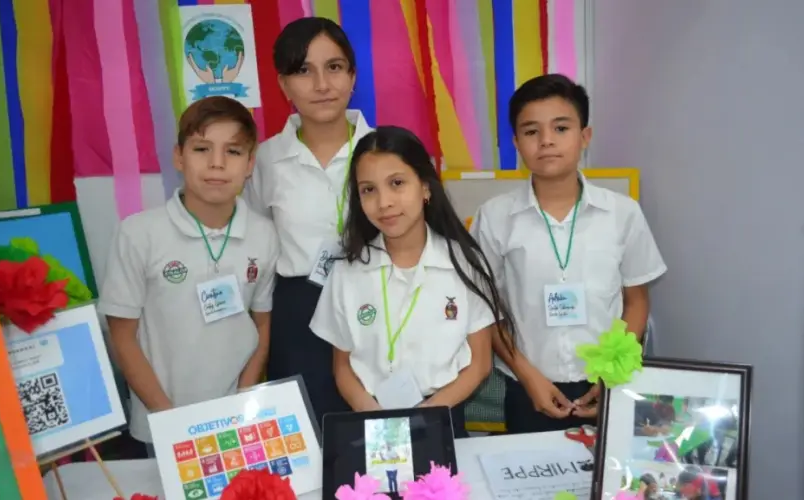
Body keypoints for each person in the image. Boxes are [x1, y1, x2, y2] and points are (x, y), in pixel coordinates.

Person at [471, 74, 667, 434]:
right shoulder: (494, 217)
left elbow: (636, 301)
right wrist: (527, 376)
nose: (546, 141)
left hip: (606, 382)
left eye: (561, 128)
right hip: (526, 386)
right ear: (517, 142)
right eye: (531, 132)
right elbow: (485, 310)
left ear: (584, 136)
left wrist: (611, 374)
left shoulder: (623, 214)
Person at [99, 97, 279, 456]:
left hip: (233, 422)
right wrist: (170, 421)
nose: (216, 163)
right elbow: (123, 338)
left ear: (249, 164)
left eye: (233, 151)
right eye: (201, 149)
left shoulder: (264, 234)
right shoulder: (139, 233)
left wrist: (242, 402)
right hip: (162, 420)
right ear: (179, 157)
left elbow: (260, 326)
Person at [309, 126, 516, 438]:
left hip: (444, 415)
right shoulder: (347, 273)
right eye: (368, 190)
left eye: (397, 183)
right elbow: (343, 367)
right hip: (372, 422)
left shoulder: (464, 264)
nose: (385, 202)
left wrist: (429, 414)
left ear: (425, 187)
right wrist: (373, 416)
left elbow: (480, 364)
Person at [243, 17, 372, 425]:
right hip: (300, 311)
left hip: (381, 301)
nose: (321, 84)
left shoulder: (387, 150)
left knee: (377, 430)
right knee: (308, 436)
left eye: (334, 67)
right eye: (303, 70)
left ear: (352, 76)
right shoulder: (264, 159)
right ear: (283, 85)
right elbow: (256, 243)